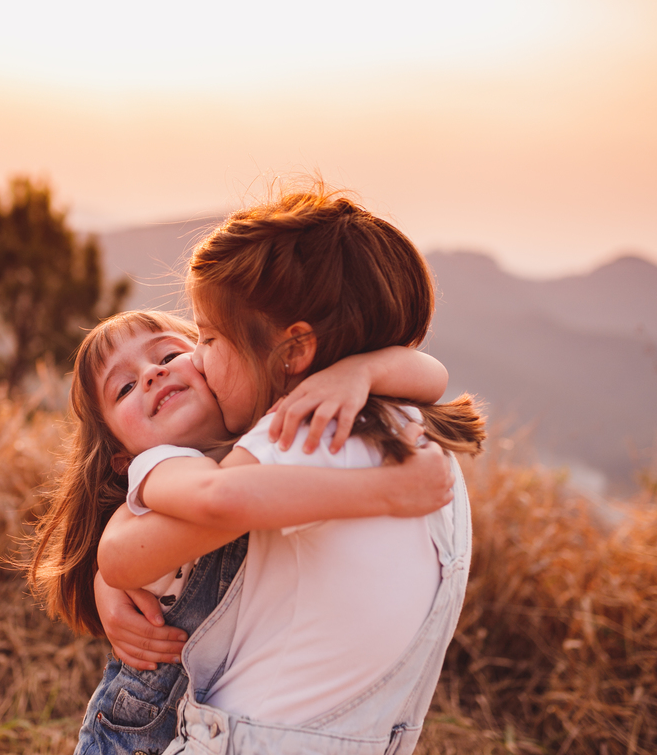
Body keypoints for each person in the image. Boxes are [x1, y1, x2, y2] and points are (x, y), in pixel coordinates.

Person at [98, 186, 486, 754]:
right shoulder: (414, 427)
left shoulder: (295, 438)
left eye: (207, 338)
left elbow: (195, 515)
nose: (198, 360)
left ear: (293, 351)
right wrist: (368, 369)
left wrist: (108, 571)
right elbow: (434, 373)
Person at [25, 310, 455, 755]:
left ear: (212, 360)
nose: (152, 374)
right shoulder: (157, 470)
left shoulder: (261, 435)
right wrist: (387, 492)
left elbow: (433, 376)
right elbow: (219, 500)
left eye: (170, 354)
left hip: (222, 721)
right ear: (120, 455)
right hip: (138, 734)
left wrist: (359, 372)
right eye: (126, 387)